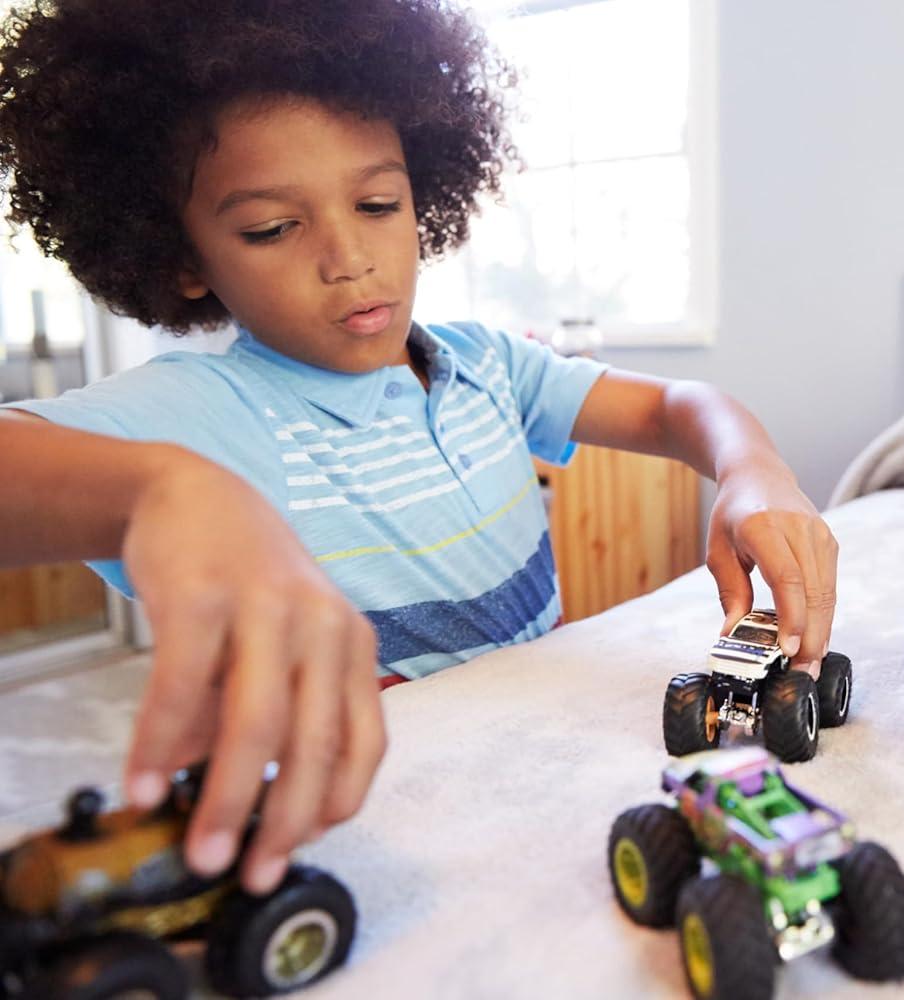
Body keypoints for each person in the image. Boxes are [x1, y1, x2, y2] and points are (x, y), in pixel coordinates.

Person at [0, 0, 837, 896]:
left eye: (377, 204)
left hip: (554, 784)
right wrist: (156, 490)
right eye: (272, 228)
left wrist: (754, 468)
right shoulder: (208, 412)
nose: (348, 258)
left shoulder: (490, 365)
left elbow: (677, 407)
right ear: (184, 258)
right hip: (382, 844)